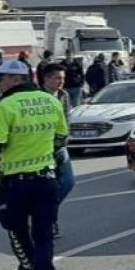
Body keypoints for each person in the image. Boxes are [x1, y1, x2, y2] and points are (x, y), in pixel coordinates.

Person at [0, 59, 69, 270]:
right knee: (43, 233)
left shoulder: (6, 105)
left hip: (15, 182)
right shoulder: (51, 101)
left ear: (15, 80)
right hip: (46, 179)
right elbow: (61, 137)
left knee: (16, 230)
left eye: (3, 78)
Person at [39, 63, 76, 239]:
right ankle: (48, 220)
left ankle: (45, 213)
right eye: (57, 78)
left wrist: (65, 136)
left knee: (68, 182)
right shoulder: (37, 97)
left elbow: (67, 118)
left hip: (60, 146)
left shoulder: (64, 95)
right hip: (42, 148)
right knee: (48, 187)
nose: (61, 81)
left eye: (62, 78)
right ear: (46, 79)